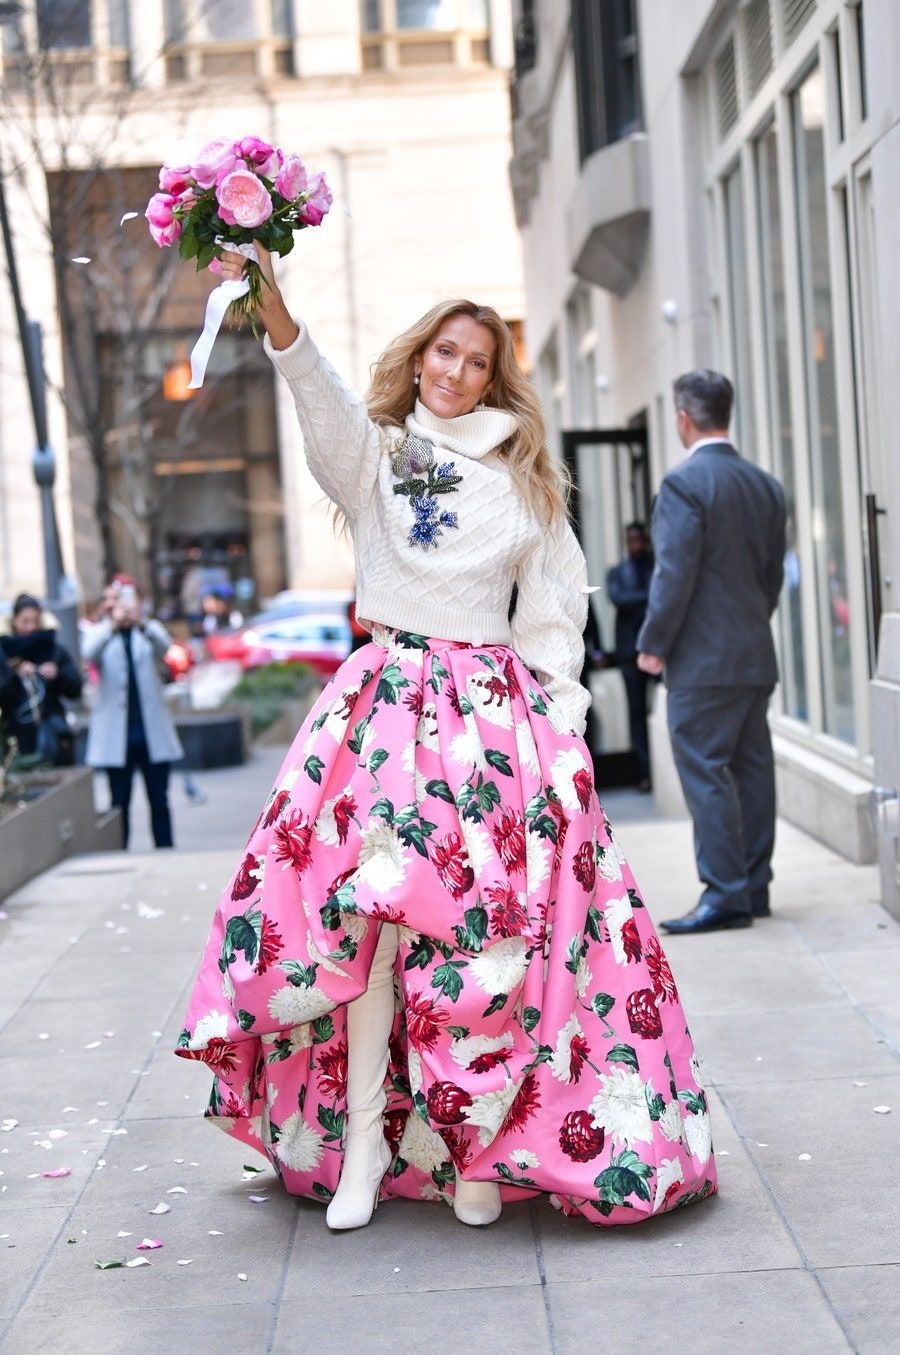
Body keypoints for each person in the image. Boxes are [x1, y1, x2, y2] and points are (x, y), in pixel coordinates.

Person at [176, 245, 716, 1234]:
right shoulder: (378, 454)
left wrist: (561, 732)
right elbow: (318, 395)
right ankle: (365, 1145)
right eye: (444, 352)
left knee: (483, 941)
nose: (456, 371)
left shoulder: (524, 480)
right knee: (372, 933)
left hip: (492, 728)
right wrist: (271, 303)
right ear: (420, 355)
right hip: (384, 711)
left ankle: (478, 1148)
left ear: (494, 376)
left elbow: (553, 616)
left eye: (476, 360)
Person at [637, 371, 786, 934]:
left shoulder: (683, 485)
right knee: (752, 772)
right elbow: (771, 577)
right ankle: (753, 887)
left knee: (706, 773)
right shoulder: (766, 485)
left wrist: (653, 645)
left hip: (702, 663)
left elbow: (673, 575)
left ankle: (725, 895)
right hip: (753, 654)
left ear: (684, 418)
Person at [82, 575, 183, 848]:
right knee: (119, 801)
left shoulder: (147, 630)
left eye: (125, 600)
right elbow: (89, 654)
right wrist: (111, 626)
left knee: (159, 799)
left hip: (151, 733)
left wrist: (141, 622)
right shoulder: (100, 632)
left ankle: (166, 850)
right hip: (117, 736)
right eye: (114, 600)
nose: (121, 606)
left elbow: (165, 647)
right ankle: (120, 850)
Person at [0, 594, 82, 764]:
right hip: (16, 740)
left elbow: (75, 689)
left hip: (54, 737)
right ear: (14, 621)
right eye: (25, 621)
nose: (31, 627)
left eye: (35, 621)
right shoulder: (4, 652)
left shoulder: (53, 650)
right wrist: (13, 674)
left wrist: (57, 674)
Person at [606, 523, 653, 790]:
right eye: (631, 539)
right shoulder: (617, 573)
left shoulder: (653, 568)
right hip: (628, 653)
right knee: (636, 713)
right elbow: (619, 598)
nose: (635, 544)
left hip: (654, 648)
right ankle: (644, 772)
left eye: (639, 539)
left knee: (657, 710)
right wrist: (646, 598)